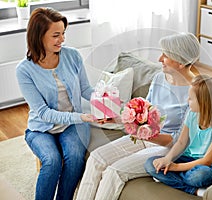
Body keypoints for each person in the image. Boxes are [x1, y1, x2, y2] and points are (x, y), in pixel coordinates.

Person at [76, 32, 201, 200]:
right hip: (145, 137)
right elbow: (145, 111)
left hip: (168, 148)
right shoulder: (159, 78)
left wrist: (145, 134)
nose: (159, 58)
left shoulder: (197, 92)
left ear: (180, 61)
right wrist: (119, 118)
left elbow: (180, 140)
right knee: (96, 158)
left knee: (114, 172)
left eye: (166, 55)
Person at [16, 7, 96, 200]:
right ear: (39, 36)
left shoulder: (73, 56)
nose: (62, 39)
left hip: (73, 125)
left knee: (75, 158)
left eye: (63, 34)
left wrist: (108, 102)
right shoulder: (24, 70)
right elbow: (43, 112)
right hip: (41, 129)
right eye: (56, 35)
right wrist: (81, 116)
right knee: (51, 161)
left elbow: (86, 90)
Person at [144, 75, 212, 196]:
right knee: (150, 164)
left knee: (197, 176)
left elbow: (207, 160)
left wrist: (175, 167)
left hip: (208, 167)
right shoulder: (192, 114)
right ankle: (192, 190)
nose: (187, 101)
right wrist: (167, 159)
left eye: (190, 98)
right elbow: (181, 142)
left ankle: (171, 178)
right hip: (187, 158)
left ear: (203, 102)